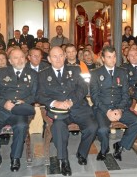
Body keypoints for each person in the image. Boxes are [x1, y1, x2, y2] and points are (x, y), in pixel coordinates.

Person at [36, 46, 98, 176]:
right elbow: (39, 95)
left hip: (78, 107)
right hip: (58, 111)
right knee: (58, 128)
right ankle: (63, 160)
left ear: (65, 57)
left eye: (60, 55)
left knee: (92, 127)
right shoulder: (42, 74)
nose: (58, 59)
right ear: (49, 59)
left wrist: (71, 101)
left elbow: (82, 88)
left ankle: (82, 153)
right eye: (54, 56)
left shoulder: (75, 70)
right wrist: (55, 103)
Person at [0, 49, 38, 173]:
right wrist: (3, 103)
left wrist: (24, 102)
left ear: (26, 59)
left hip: (19, 110)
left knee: (21, 126)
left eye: (21, 57)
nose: (19, 60)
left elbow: (36, 95)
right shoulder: (1, 72)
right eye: (15, 58)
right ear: (10, 61)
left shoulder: (33, 74)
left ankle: (15, 157)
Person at [90, 46, 137, 161]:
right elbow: (95, 97)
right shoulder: (95, 73)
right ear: (103, 58)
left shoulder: (122, 72)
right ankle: (104, 150)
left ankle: (120, 145)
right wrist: (107, 111)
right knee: (102, 129)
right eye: (109, 57)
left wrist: (120, 109)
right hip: (102, 108)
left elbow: (125, 94)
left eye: (114, 57)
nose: (112, 60)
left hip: (119, 107)